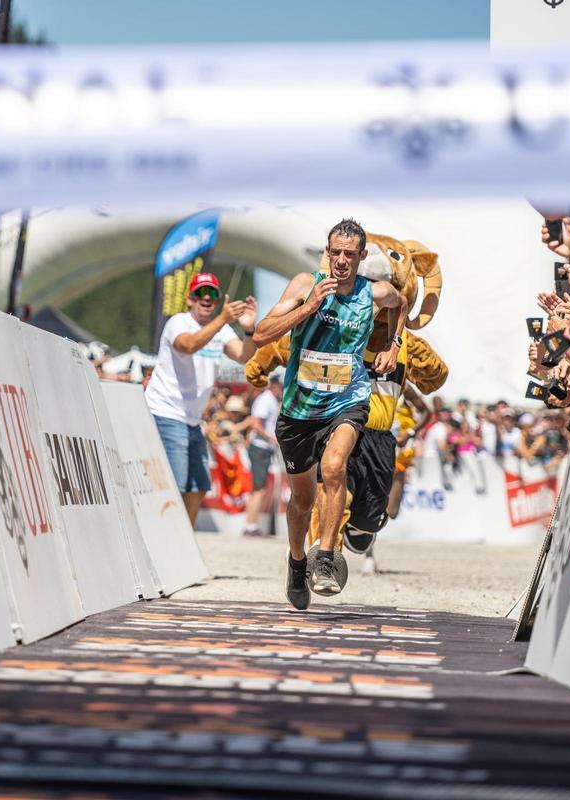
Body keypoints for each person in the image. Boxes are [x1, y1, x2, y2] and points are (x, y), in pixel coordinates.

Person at [252, 218, 406, 608]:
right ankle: (297, 561)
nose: (340, 261)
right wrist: (308, 309)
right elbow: (261, 333)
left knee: (335, 467)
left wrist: (392, 343)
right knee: (302, 500)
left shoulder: (374, 293)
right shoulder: (305, 284)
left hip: (346, 401)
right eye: (335, 252)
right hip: (299, 409)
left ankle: (325, 557)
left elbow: (400, 303)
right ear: (327, 251)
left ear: (361, 257)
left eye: (349, 255)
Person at [146, 273, 258, 526]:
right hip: (166, 411)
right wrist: (222, 319)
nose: (206, 299)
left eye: (212, 294)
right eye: (200, 294)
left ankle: (183, 539)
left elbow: (243, 355)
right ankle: (169, 538)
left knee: (197, 486)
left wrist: (249, 328)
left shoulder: (222, 328)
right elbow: (188, 345)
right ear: (189, 299)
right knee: (176, 485)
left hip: (194, 420)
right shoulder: (178, 322)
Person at [243, 375, 282, 537]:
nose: (283, 390)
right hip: (260, 447)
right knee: (259, 488)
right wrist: (271, 438)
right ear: (274, 386)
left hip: (261, 448)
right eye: (281, 387)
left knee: (258, 488)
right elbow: (255, 423)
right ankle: (250, 526)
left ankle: (250, 525)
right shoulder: (266, 399)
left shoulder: (270, 400)